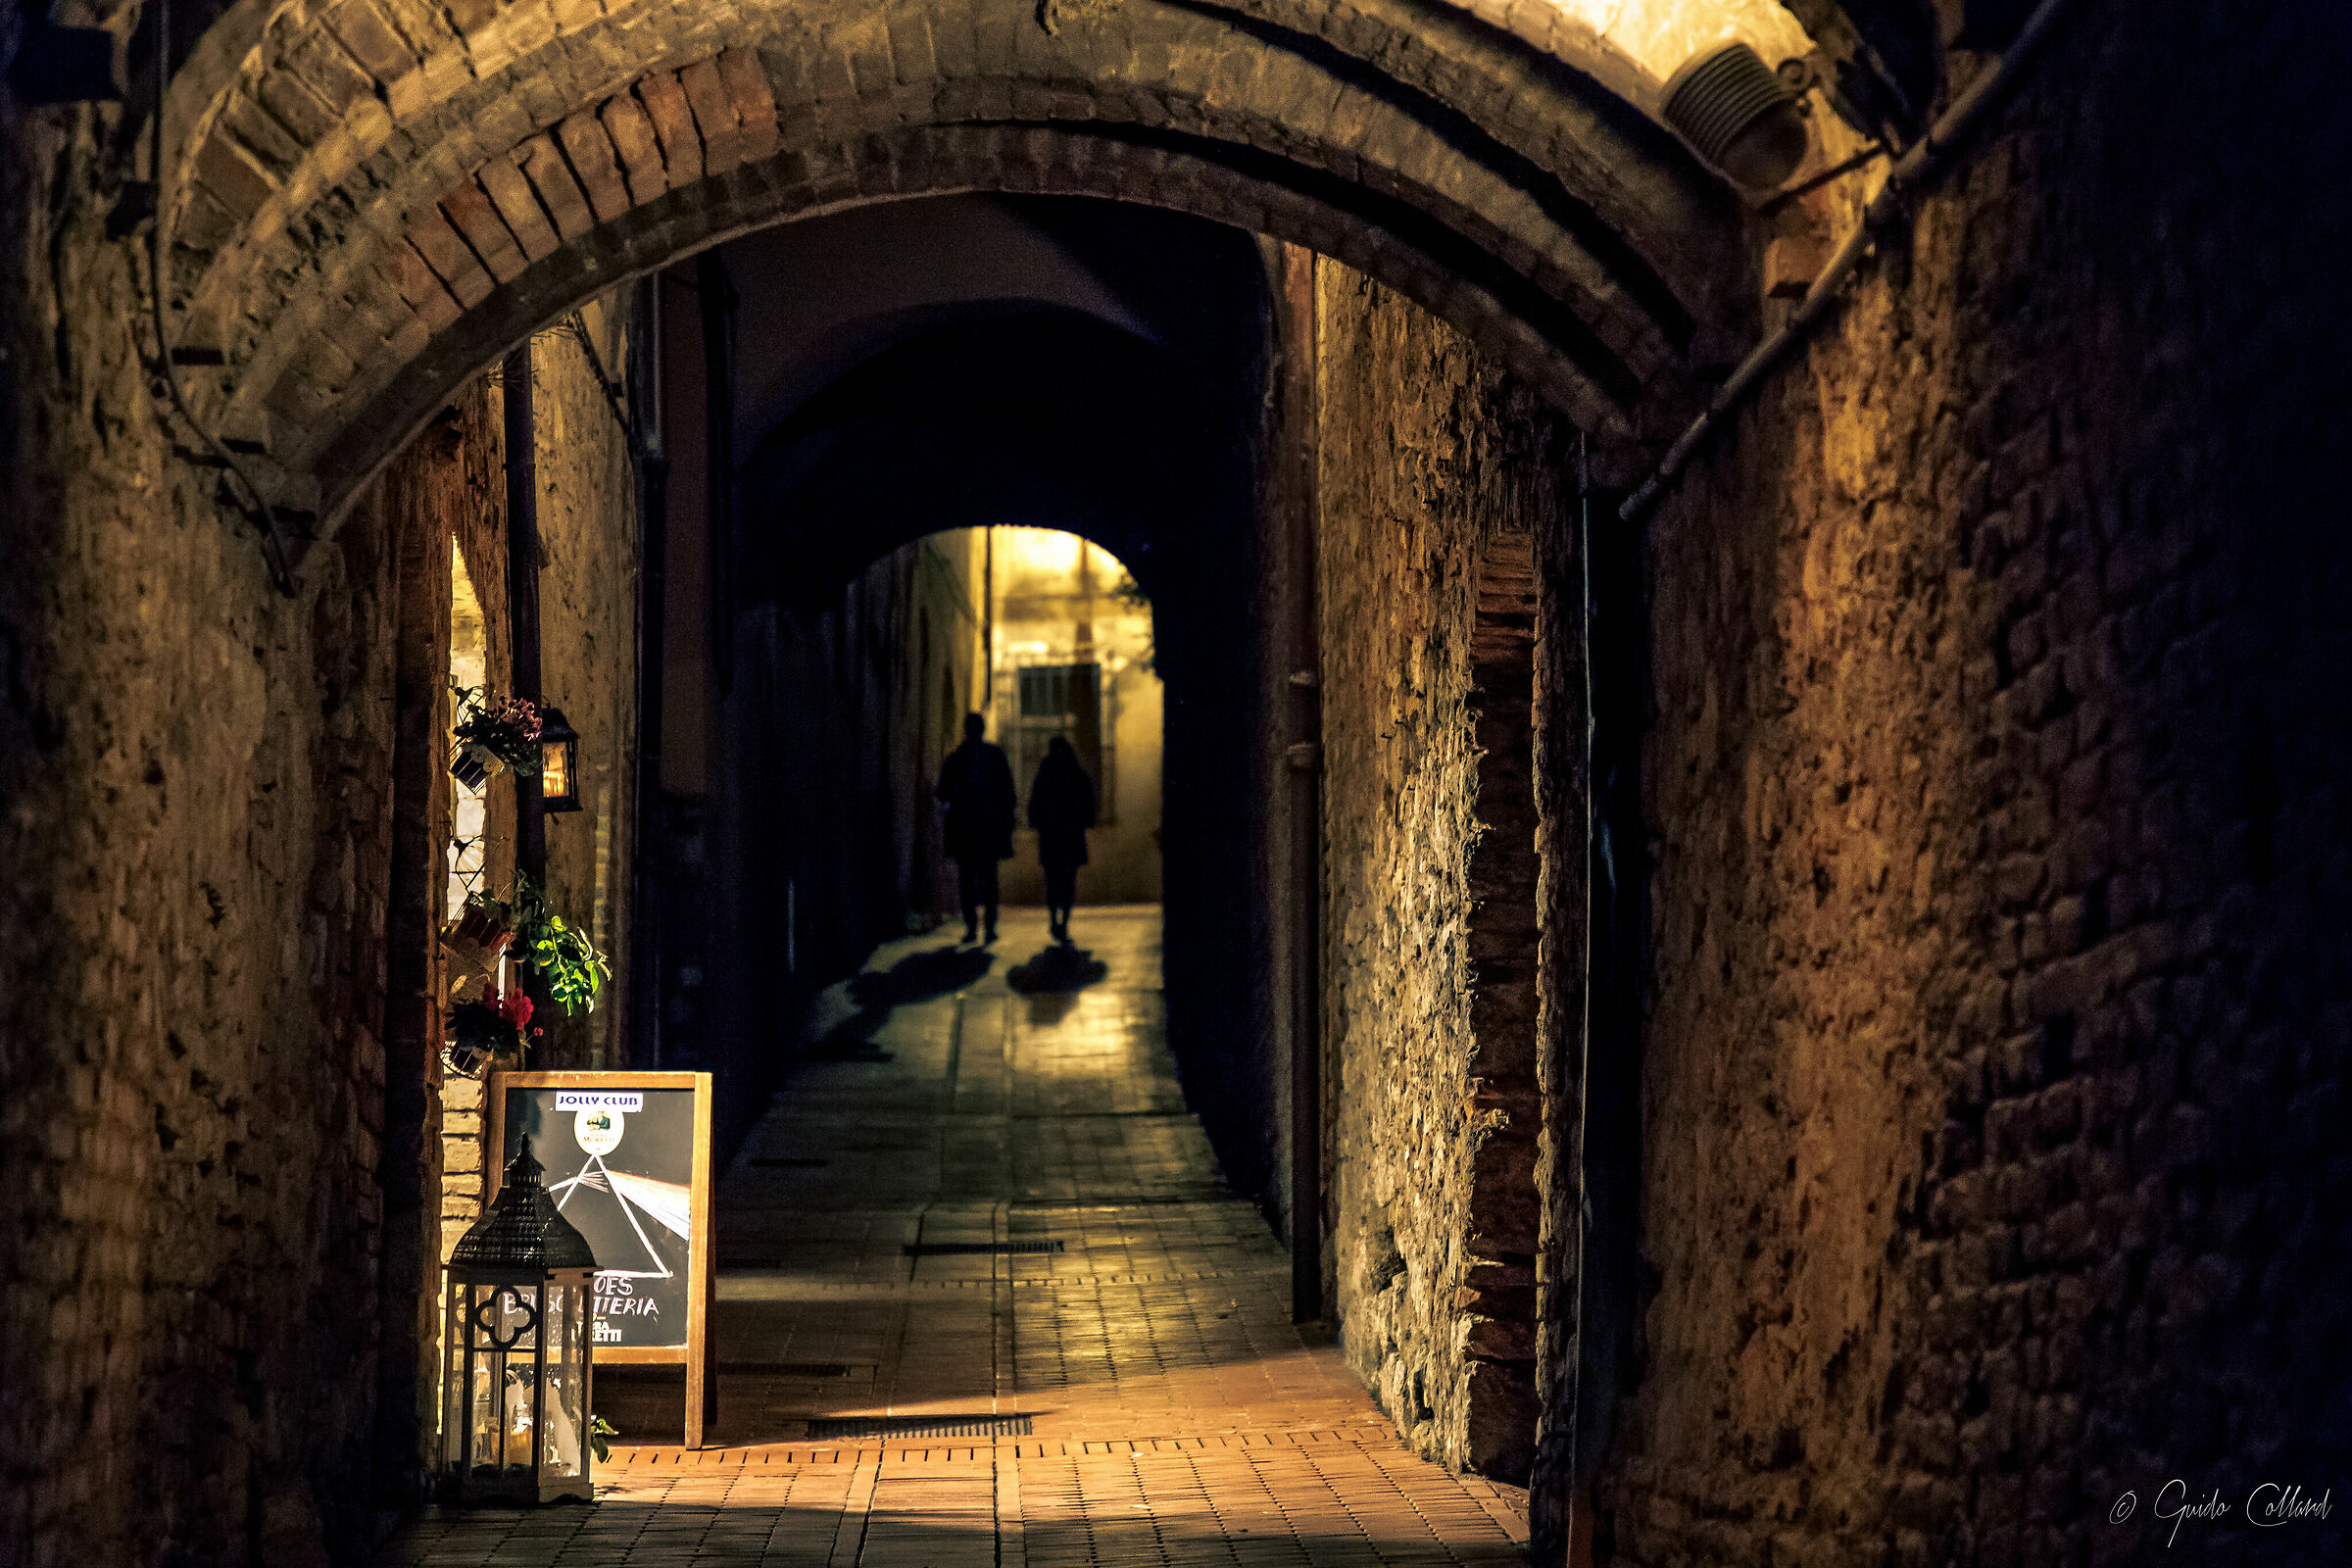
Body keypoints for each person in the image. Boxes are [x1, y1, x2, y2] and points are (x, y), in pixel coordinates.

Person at [936, 713, 1016, 943]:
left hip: (964, 829)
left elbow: (942, 792)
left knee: (967, 880)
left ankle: (972, 927)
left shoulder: (956, 759)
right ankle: (989, 927)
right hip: (989, 829)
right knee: (989, 878)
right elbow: (1008, 793)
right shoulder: (994, 757)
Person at [1026, 736, 1099, 944]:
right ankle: (1063, 923)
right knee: (1068, 881)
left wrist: (1036, 822)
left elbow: (1035, 801)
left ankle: (1053, 921)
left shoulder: (1046, 773)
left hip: (1051, 835)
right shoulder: (1077, 774)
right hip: (1071, 835)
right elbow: (1088, 804)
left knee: (1052, 880)